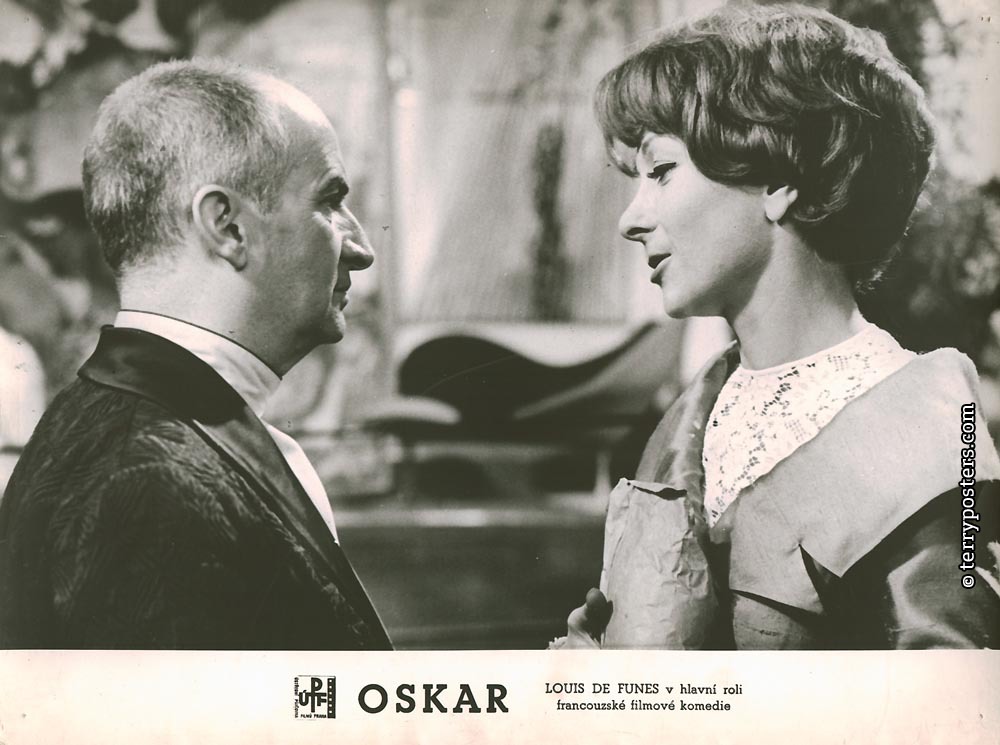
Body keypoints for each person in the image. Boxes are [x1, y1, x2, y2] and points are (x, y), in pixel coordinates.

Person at [558, 3, 1000, 650]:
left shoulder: (933, 432)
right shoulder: (692, 418)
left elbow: (954, 690)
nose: (631, 219)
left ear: (780, 177)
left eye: (661, 171)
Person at [0, 59, 391, 650]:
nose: (360, 247)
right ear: (227, 226)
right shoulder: (152, 482)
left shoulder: (124, 422)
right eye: (330, 202)